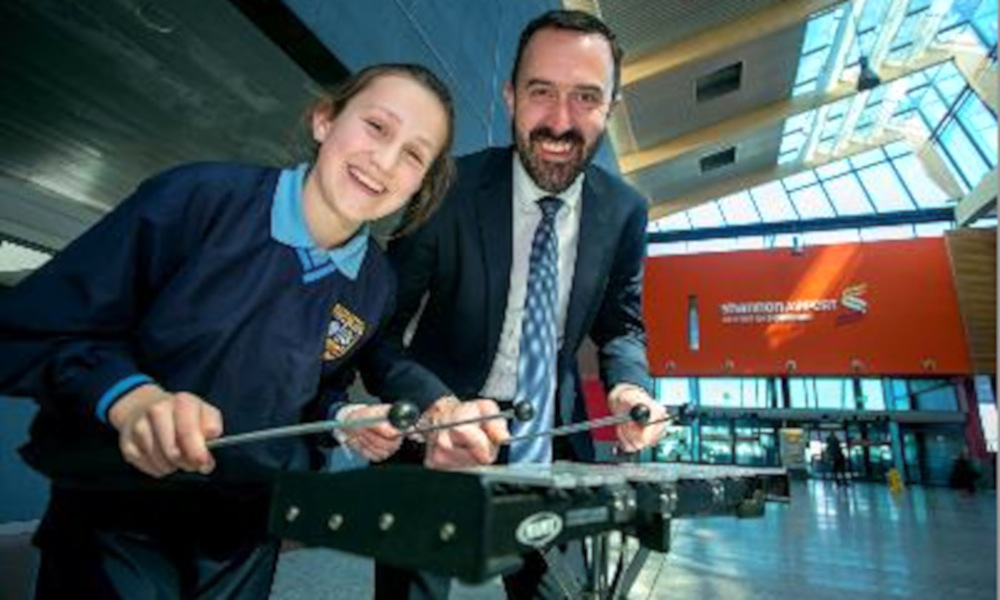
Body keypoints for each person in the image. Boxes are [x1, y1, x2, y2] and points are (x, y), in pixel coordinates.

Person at [0, 63, 456, 599]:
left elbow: (316, 388)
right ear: (324, 120)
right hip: (119, 516)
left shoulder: (375, 283)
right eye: (377, 127)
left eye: (414, 155)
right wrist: (132, 400)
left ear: (420, 186)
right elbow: (39, 328)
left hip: (246, 535)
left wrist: (342, 419)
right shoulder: (197, 197)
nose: (385, 161)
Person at [362, 10, 668, 599]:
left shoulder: (625, 211)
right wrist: (436, 406)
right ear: (510, 96)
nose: (560, 121)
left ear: (611, 107)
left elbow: (622, 326)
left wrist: (630, 388)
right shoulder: (447, 188)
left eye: (585, 97)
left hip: (549, 446)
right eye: (541, 92)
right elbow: (379, 332)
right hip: (436, 442)